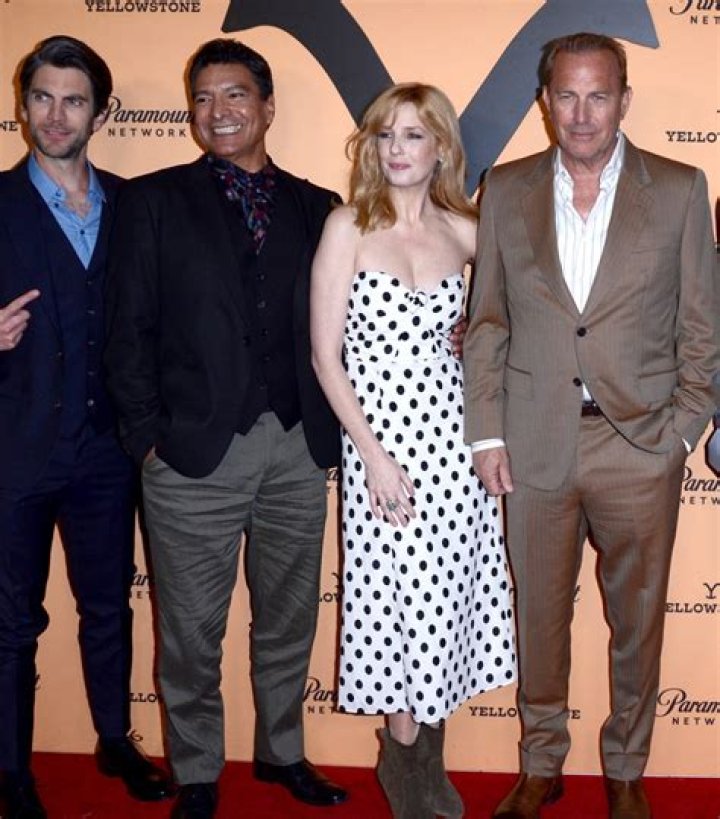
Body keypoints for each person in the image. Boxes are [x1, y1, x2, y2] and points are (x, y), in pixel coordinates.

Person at [464, 32, 718, 819]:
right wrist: (487, 432)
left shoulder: (679, 188)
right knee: (539, 618)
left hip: (640, 445)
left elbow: (702, 328)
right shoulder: (504, 188)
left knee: (636, 623)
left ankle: (626, 769)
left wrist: (679, 435)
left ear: (624, 101)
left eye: (598, 95)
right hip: (534, 443)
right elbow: (487, 322)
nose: (581, 114)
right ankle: (541, 763)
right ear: (545, 101)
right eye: (566, 96)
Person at [104, 39, 349, 819]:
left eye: (235, 94)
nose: (219, 111)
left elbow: (360, 317)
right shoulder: (152, 201)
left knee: (287, 618)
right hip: (191, 454)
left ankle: (281, 751)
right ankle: (199, 768)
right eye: (204, 97)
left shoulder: (320, 207)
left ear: (268, 106)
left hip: (297, 447)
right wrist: (149, 438)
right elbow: (126, 329)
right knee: (190, 629)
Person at [310, 83, 516, 819]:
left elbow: (519, 312)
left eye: (413, 135)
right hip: (382, 447)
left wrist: (476, 337)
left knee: (444, 601)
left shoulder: (466, 230)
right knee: (395, 601)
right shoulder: (347, 226)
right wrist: (372, 456)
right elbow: (326, 357)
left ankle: (428, 755)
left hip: (454, 447)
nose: (397, 149)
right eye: (385, 135)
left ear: (441, 149)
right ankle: (403, 760)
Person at [0, 35, 174, 819]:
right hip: (15, 452)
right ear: (22, 105)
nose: (56, 114)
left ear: (101, 113)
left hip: (107, 453)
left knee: (109, 606)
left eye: (74, 100)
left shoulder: (135, 205)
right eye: (42, 97)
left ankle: (112, 737)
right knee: (12, 624)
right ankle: (12, 769)